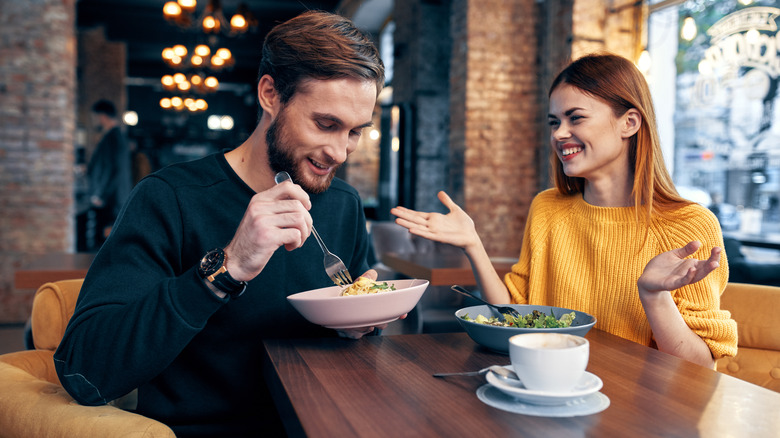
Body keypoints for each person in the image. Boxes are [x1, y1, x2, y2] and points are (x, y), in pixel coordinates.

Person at [54, 11, 387, 436]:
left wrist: (357, 326)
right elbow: (86, 370)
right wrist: (225, 268)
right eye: (326, 124)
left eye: (355, 132)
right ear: (270, 94)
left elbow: (361, 351)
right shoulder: (169, 198)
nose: (340, 152)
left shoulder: (343, 203)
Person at [392, 53, 737, 368]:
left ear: (629, 123)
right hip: (545, 391)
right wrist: (473, 245)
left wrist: (653, 296)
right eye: (554, 122)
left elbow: (702, 366)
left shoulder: (687, 226)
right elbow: (514, 315)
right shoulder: (548, 209)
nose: (560, 133)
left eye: (576, 118)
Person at [86, 99, 133, 249]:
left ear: (102, 116)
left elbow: (116, 171)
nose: (95, 121)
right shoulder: (115, 137)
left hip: (111, 201)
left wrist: (101, 196)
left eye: (95, 117)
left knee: (106, 245)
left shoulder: (114, 138)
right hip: (111, 199)